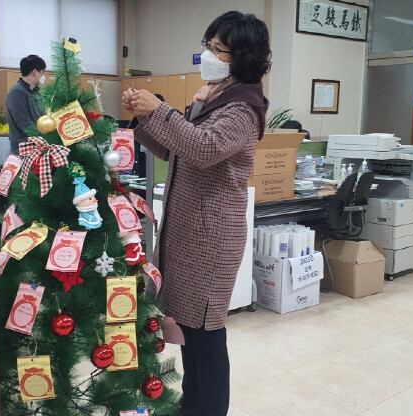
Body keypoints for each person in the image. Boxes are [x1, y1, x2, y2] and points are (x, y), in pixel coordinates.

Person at [122, 11, 271, 416]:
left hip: (210, 239)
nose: (209, 54)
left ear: (242, 57)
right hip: (188, 233)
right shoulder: (214, 95)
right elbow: (179, 151)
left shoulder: (243, 107)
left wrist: (161, 110)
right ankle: (194, 404)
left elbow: (204, 149)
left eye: (218, 49)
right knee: (188, 329)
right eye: (208, 45)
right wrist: (144, 117)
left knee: (204, 333)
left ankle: (206, 409)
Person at [6, 54, 46, 153]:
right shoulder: (17, 92)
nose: (43, 77)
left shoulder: (35, 92)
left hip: (38, 146)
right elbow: (24, 124)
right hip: (24, 149)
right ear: (35, 72)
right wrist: (45, 137)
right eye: (42, 73)